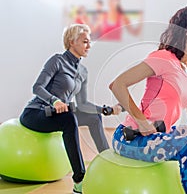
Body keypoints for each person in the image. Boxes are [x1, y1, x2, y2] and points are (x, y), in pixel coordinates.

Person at [109, 5, 187, 194]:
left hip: (159, 137)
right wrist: (142, 122)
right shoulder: (163, 59)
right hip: (129, 139)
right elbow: (117, 84)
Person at [20, 24, 121, 194]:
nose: (89, 45)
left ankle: (107, 161)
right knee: (69, 118)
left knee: (93, 118)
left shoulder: (82, 71)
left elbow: (82, 104)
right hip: (36, 113)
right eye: (85, 42)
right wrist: (54, 101)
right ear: (72, 42)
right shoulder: (57, 61)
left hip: (59, 114)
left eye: (89, 42)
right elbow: (37, 87)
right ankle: (79, 179)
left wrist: (106, 110)